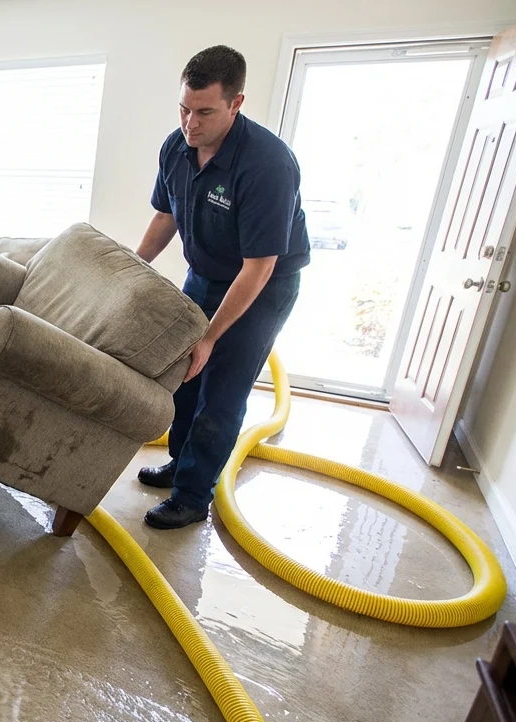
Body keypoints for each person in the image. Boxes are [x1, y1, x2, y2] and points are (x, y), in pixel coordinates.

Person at [134, 45, 309, 529]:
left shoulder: (268, 166)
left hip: (261, 286)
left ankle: (192, 498)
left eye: (205, 112)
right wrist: (130, 265)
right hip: (205, 273)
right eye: (185, 109)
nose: (191, 123)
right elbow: (166, 214)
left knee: (222, 390)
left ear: (236, 104)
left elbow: (258, 267)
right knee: (185, 377)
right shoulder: (176, 146)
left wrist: (212, 336)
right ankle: (178, 464)